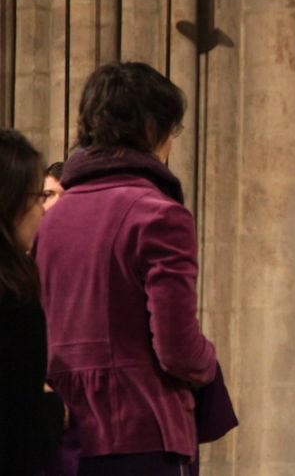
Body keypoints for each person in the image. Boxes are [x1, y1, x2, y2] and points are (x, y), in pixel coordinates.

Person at [35, 61, 219, 475]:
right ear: (152, 130)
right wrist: (209, 361)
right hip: (140, 430)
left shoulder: (53, 218)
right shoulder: (158, 214)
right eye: (172, 131)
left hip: (67, 432)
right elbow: (178, 350)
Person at [0, 129, 66, 474]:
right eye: (38, 197)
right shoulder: (14, 293)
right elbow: (20, 434)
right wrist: (56, 408)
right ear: (10, 200)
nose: (43, 212)